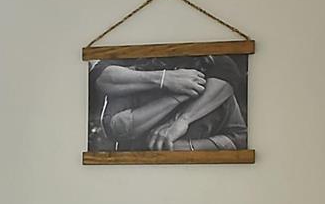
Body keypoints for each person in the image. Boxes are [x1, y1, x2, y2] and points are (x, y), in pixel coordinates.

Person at [91, 61, 246, 152]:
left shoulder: (219, 86)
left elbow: (239, 140)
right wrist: (174, 95)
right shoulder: (130, 77)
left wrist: (187, 146)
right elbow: (116, 128)